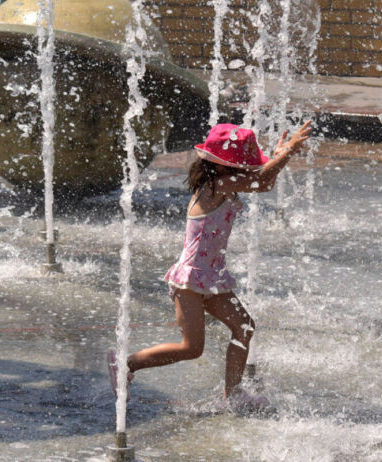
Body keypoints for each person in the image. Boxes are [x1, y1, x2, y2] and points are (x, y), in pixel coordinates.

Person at [109, 120, 313, 412]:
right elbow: (262, 181)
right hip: (190, 281)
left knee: (244, 327)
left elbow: (263, 180)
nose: (245, 170)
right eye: (240, 164)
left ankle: (233, 394)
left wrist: (280, 155)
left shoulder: (224, 182)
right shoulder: (216, 185)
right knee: (191, 348)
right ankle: (126, 365)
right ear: (222, 166)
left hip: (212, 278)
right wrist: (289, 151)